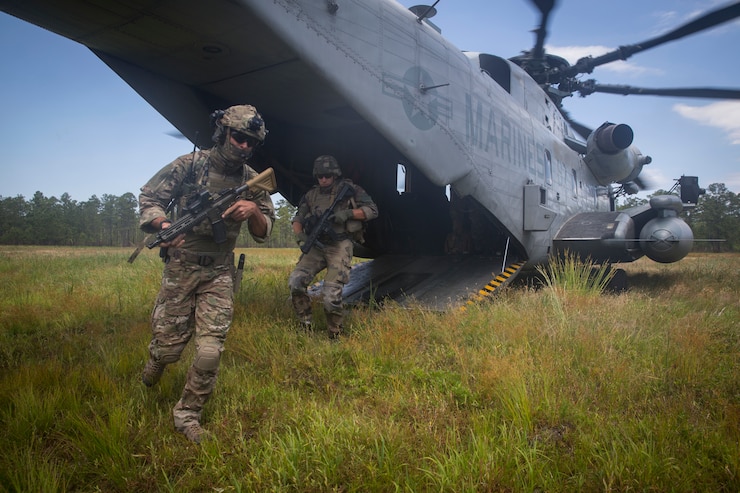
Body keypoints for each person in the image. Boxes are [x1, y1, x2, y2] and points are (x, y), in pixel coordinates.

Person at [138, 104, 275, 443]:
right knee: (170, 346)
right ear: (223, 132)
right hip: (181, 266)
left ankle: (187, 415)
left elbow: (265, 230)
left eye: (251, 143)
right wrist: (165, 224)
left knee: (210, 350)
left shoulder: (251, 179)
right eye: (239, 137)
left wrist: (254, 210)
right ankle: (159, 357)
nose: (244, 146)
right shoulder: (189, 165)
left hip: (219, 271)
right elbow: (149, 197)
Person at [288, 155, 378, 339]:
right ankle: (305, 323)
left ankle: (335, 332)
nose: (324, 179)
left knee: (330, 294)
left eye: (327, 175)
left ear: (335, 174)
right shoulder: (311, 195)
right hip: (316, 245)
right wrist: (301, 238)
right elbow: (298, 218)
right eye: (320, 176)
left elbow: (372, 210)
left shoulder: (350, 190)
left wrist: (349, 213)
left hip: (339, 245)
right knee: (296, 282)